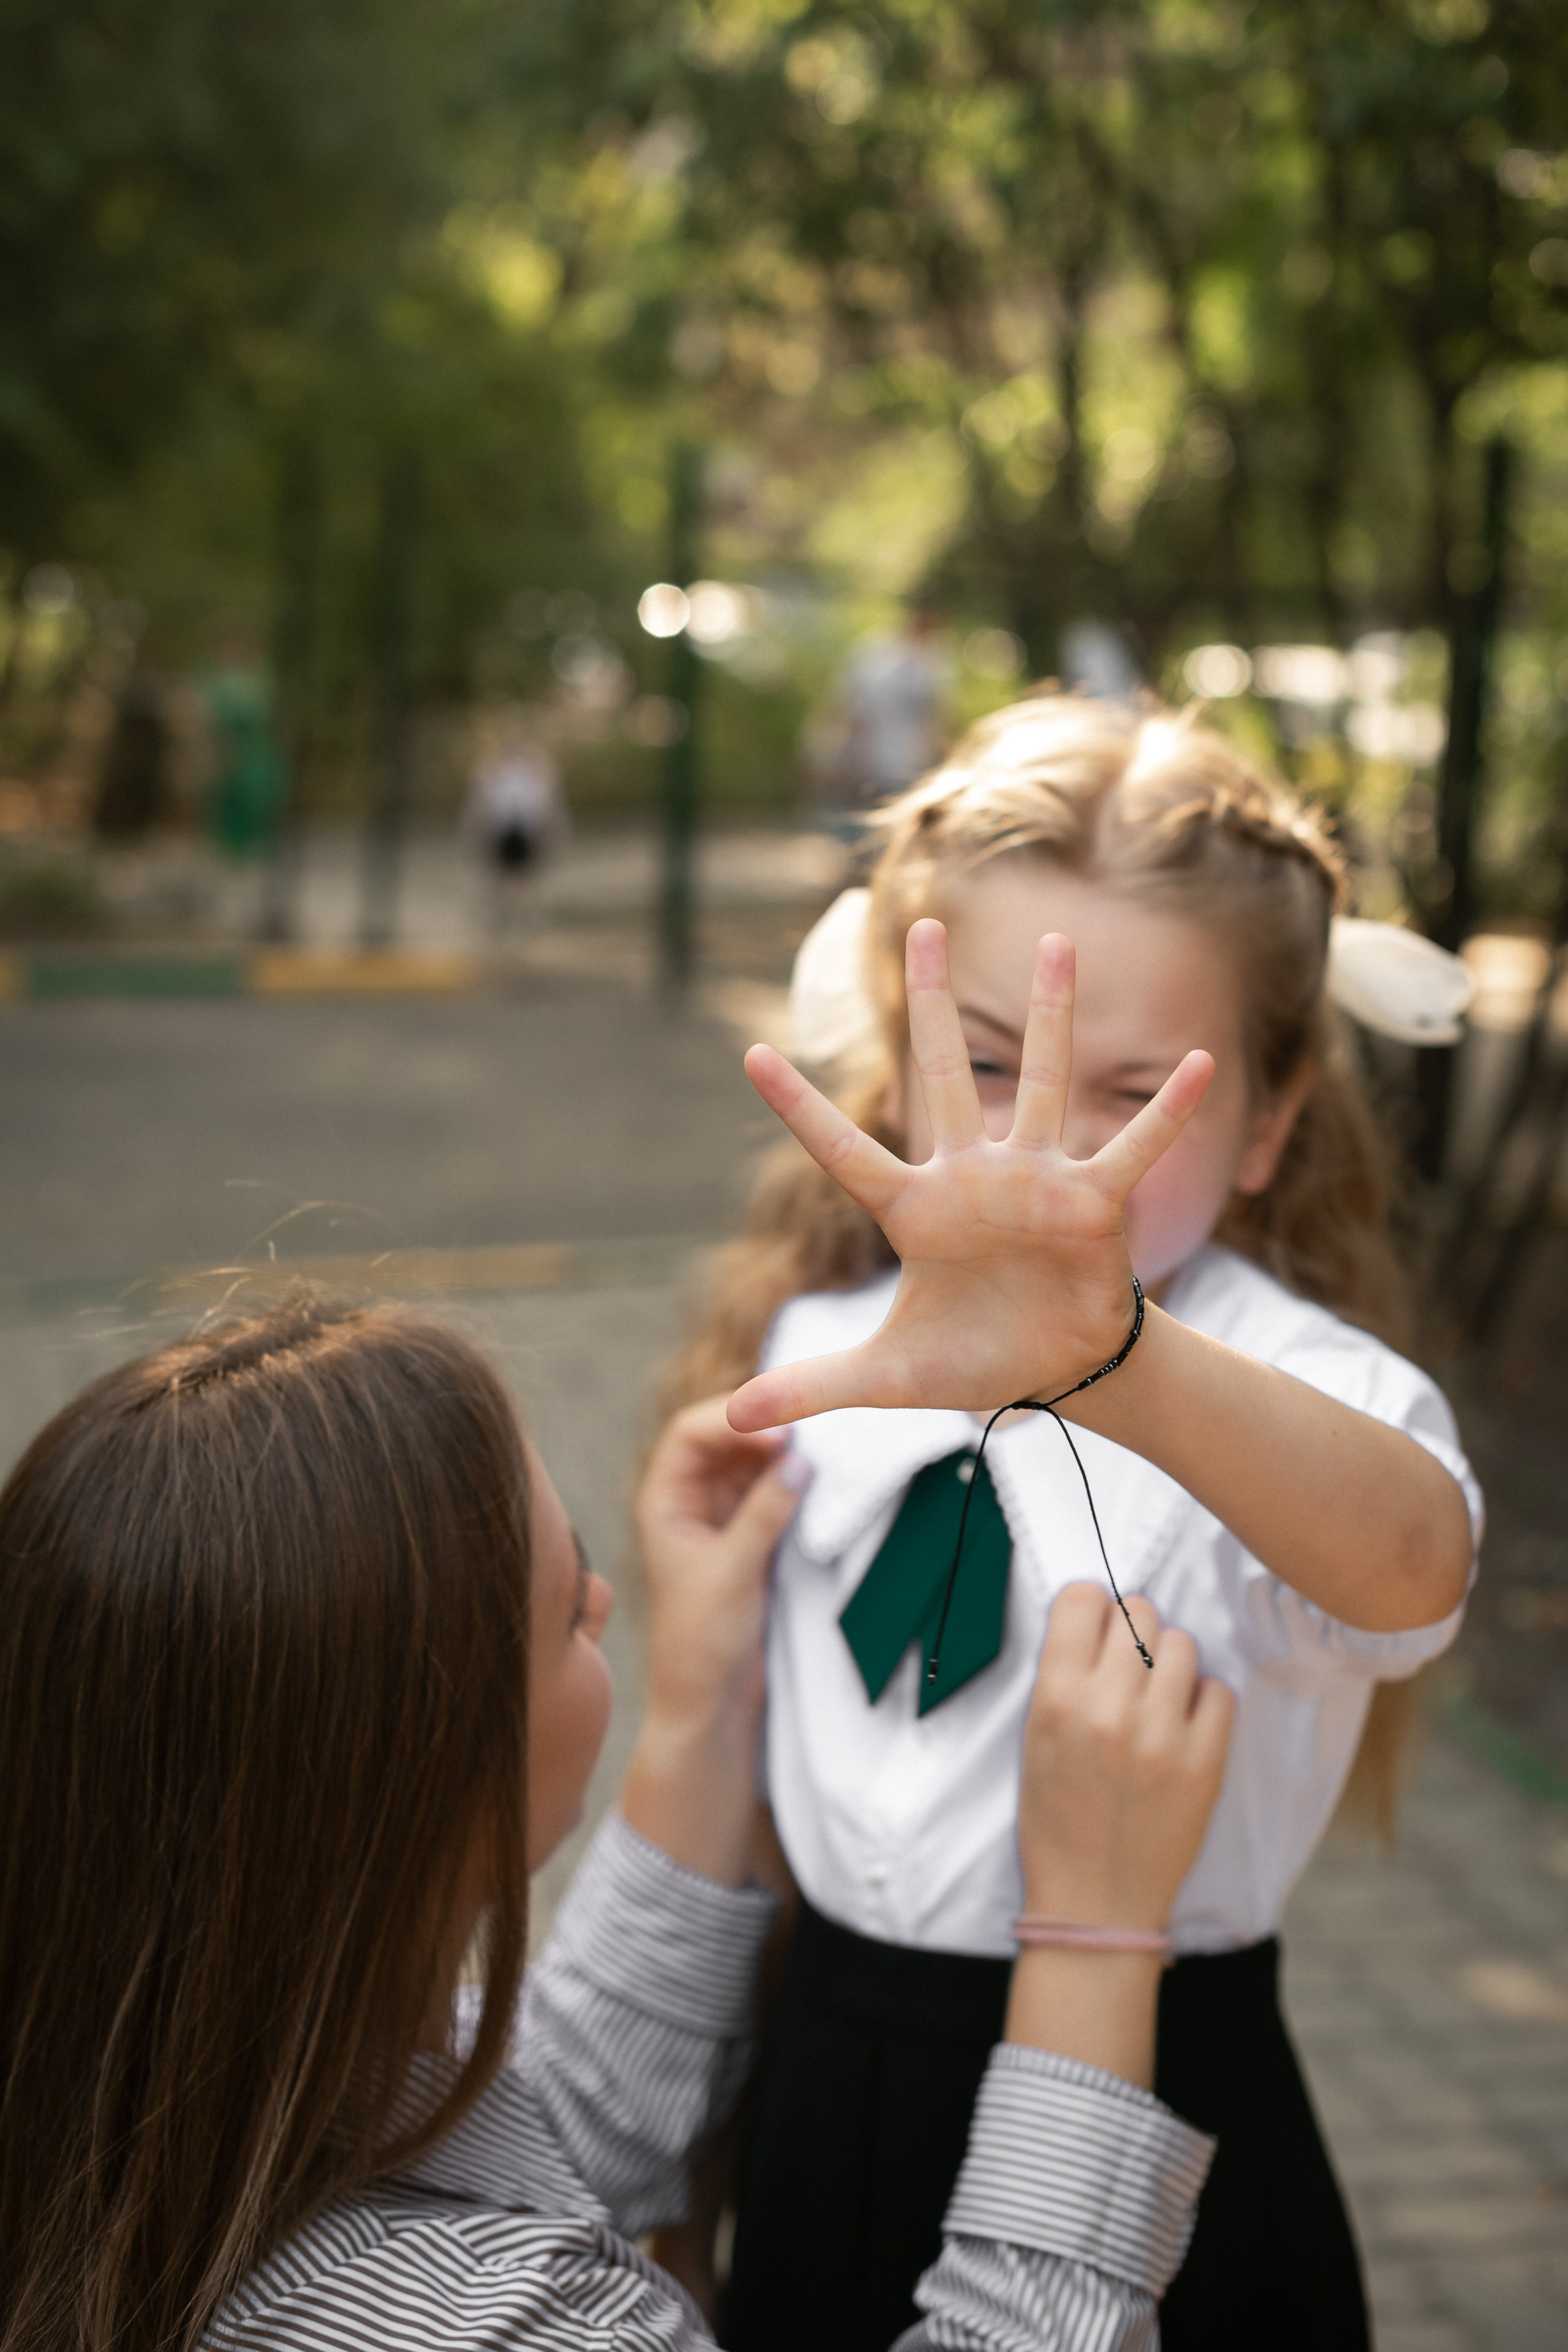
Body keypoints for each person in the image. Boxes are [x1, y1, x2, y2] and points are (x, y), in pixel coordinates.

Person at [664, 691, 1483, 2352]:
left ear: (1264, 1124)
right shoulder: (818, 1352)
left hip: (1166, 2111)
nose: (1048, 1151)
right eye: (981, 1063)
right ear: (889, 1070)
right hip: (822, 2076)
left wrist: (1110, 1355)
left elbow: (1410, 1575)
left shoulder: (1292, 1385)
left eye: (1132, 1099)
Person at [0, 1291, 1233, 2352]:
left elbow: (557, 2099)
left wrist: (701, 1707)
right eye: (563, 1614)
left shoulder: (165, 2083)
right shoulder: (509, 2328)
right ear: (425, 1784)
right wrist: (1091, 1931)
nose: (604, 1598)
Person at [817, 600, 952, 853]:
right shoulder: (877, 655)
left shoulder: (934, 662)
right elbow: (851, 710)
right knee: (861, 844)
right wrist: (846, 758)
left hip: (910, 769)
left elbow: (935, 719)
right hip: (873, 764)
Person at [462, 709, 566, 932]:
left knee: (525, 875)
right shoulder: (492, 766)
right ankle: (505, 915)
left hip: (527, 829)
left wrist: (553, 832)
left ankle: (521, 916)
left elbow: (548, 804)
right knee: (501, 873)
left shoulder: (538, 767)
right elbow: (481, 802)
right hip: (501, 828)